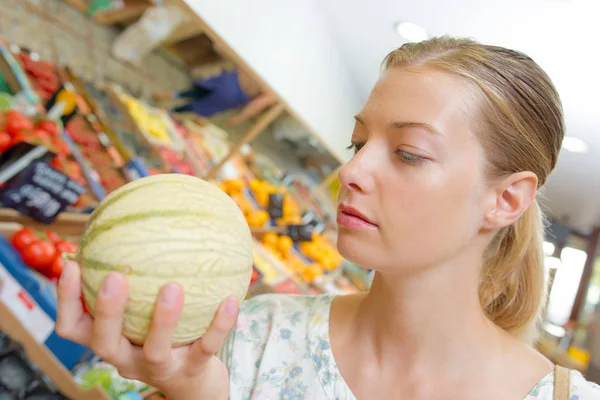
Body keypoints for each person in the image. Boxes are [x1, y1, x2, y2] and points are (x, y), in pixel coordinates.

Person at [56, 37, 600, 399]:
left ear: (506, 200)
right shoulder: (249, 337)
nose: (353, 170)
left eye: (408, 153)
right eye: (357, 142)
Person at [153, 68, 278, 126]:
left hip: (231, 77)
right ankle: (169, 112)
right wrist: (240, 117)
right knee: (200, 107)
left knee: (198, 92)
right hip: (235, 93)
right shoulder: (278, 90)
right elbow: (257, 104)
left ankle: (173, 95)